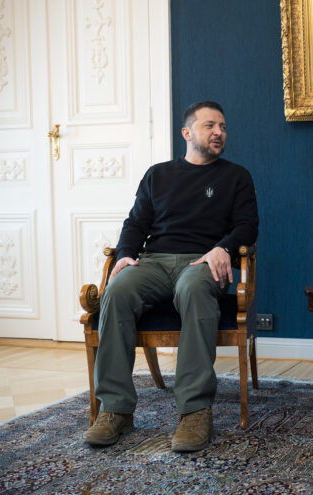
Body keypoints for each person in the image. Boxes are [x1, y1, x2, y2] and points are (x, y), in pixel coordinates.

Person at [83, 101, 258, 452]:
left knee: (194, 289)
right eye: (210, 125)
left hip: (202, 263)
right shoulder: (157, 175)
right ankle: (115, 409)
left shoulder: (236, 176)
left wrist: (223, 247)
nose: (219, 132)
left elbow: (247, 226)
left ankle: (195, 411)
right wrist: (125, 255)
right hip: (154, 261)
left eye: (222, 126)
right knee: (116, 291)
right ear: (187, 132)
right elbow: (135, 223)